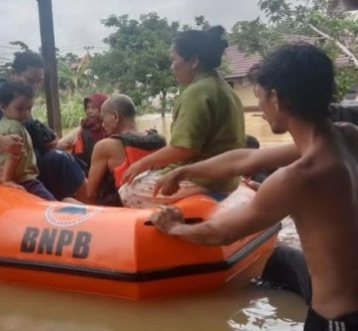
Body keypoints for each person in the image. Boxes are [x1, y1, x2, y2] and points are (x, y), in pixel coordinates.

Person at [149, 43, 358, 331]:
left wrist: (173, 228)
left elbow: (223, 232)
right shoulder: (348, 138)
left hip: (337, 321)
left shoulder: (297, 179)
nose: (259, 108)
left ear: (277, 99)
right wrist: (187, 169)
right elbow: (246, 158)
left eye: (259, 96)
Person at [119, 26, 245, 208]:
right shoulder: (224, 88)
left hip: (203, 179)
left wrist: (141, 163)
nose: (171, 67)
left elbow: (183, 148)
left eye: (174, 60)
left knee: (127, 190)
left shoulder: (197, 92)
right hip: (227, 178)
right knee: (148, 175)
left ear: (193, 61)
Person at [0, 51, 87, 201]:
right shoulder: (2, 92)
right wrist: (0, 141)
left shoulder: (22, 99)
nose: (35, 86)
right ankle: (91, 203)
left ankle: (67, 198)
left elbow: (27, 127)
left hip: (7, 156)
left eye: (39, 81)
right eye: (31, 80)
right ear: (14, 74)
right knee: (63, 159)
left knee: (61, 155)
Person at [0, 81, 79, 203]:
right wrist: (7, 180)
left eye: (29, 108)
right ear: (3, 106)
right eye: (20, 108)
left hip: (22, 177)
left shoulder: (6, 122)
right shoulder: (14, 128)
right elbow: (14, 156)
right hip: (25, 180)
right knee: (52, 205)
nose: (26, 113)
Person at [87, 94, 166, 206]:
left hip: (121, 210)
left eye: (103, 118)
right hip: (157, 205)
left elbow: (90, 193)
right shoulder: (160, 139)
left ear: (115, 116)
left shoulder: (105, 146)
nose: (102, 125)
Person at [58, 92, 110, 172]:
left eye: (93, 108)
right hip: (84, 171)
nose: (89, 111)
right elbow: (60, 144)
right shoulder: (81, 129)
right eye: (87, 108)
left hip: (107, 170)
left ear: (103, 109)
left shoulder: (111, 127)